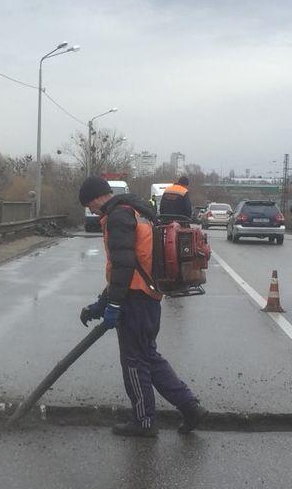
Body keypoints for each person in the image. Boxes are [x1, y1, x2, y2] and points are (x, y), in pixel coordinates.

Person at [78, 176, 208, 438]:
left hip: (134, 300)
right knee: (149, 357)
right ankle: (189, 406)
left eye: (88, 205)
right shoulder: (136, 212)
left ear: (95, 198)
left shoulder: (117, 217)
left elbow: (124, 266)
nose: (91, 211)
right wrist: (101, 304)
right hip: (148, 296)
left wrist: (113, 304)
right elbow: (128, 266)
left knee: (134, 362)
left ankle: (144, 422)